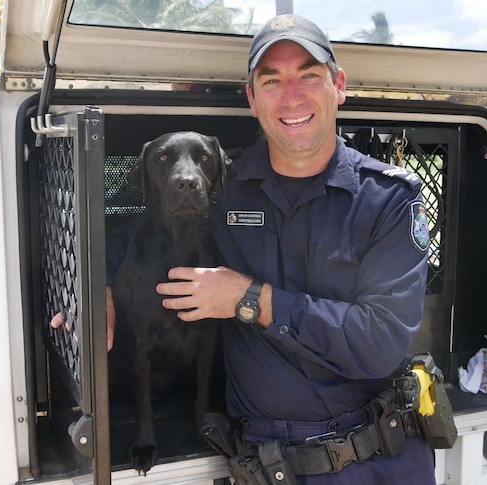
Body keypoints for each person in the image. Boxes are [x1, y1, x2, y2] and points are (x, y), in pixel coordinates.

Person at [153, 14, 436, 484]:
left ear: (338, 85)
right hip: (270, 466)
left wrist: (248, 299)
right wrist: (100, 286)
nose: (292, 95)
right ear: (252, 98)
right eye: (272, 80)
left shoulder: (389, 199)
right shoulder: (225, 187)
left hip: (381, 459)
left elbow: (380, 343)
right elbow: (148, 229)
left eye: (309, 75)